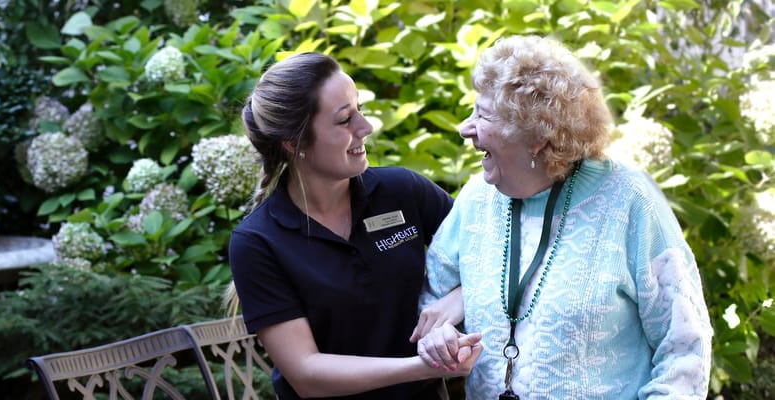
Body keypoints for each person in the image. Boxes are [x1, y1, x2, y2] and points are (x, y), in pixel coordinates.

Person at [417, 35, 713, 399]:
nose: (465, 128)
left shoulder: (630, 201)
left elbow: (685, 347)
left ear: (537, 137)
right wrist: (444, 337)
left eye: (483, 115)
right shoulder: (477, 199)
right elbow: (431, 300)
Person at [228, 51, 483, 399]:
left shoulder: (402, 190)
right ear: (295, 143)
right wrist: (421, 367)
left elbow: (494, 249)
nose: (366, 127)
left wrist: (460, 298)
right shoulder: (258, 241)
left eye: (359, 109)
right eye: (345, 119)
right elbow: (306, 372)